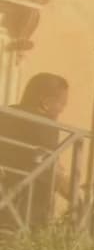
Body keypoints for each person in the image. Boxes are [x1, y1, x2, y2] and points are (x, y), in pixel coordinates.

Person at [2, 71, 72, 229]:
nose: (61, 110)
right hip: (26, 210)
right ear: (46, 102)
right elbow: (50, 167)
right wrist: (76, 195)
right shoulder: (44, 124)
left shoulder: (5, 114)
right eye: (62, 104)